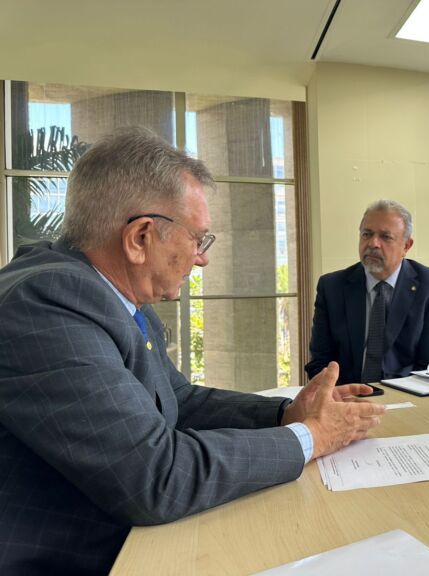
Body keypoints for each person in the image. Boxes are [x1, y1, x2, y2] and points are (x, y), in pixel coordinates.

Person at [0, 126, 386, 576]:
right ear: (140, 237)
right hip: (76, 555)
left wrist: (286, 414)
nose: (202, 259)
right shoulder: (49, 302)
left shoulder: (105, 294)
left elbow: (180, 401)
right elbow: (157, 478)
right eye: (198, 239)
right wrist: (313, 438)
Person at [305, 199, 429, 385]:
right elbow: (320, 362)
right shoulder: (332, 287)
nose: (373, 243)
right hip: (347, 398)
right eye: (366, 234)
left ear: (406, 246)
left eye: (385, 237)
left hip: (409, 400)